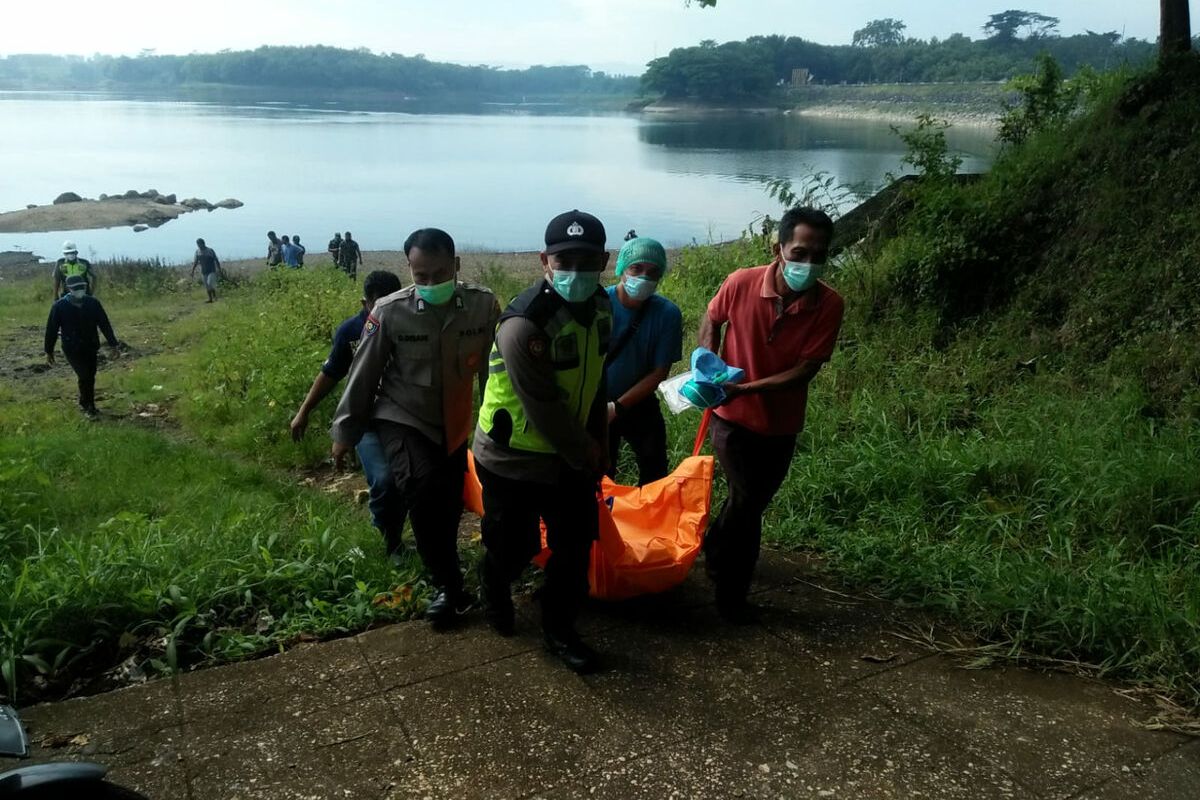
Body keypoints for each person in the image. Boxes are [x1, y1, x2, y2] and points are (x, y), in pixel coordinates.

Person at [331, 229, 499, 630]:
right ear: (409, 269)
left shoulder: (483, 306)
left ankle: (447, 569)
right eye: (419, 276)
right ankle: (448, 584)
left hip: (454, 423)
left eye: (438, 275)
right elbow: (363, 375)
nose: (428, 284)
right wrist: (344, 433)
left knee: (447, 499)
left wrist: (492, 426)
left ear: (456, 266)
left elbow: (493, 373)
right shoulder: (390, 312)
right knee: (422, 491)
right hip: (401, 416)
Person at [473, 209, 611, 673]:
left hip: (568, 457)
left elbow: (594, 384)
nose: (575, 271)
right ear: (544, 261)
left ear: (604, 261)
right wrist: (586, 453)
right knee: (515, 547)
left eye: (586, 260)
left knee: (574, 547)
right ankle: (493, 583)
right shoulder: (526, 324)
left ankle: (560, 630)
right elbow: (543, 405)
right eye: (564, 260)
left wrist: (600, 442)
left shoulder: (601, 310)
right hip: (513, 458)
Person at [698, 207, 845, 622]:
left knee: (750, 502)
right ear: (778, 248)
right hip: (731, 418)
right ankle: (731, 595)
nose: (808, 264)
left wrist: (747, 386)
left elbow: (804, 371)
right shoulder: (741, 282)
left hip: (780, 425)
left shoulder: (829, 304)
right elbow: (711, 317)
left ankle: (713, 548)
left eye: (818, 255)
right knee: (747, 503)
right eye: (799, 253)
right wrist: (707, 360)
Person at [291, 271, 407, 562]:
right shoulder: (352, 332)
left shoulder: (410, 324)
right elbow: (331, 374)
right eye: (375, 305)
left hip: (404, 419)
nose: (381, 312)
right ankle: (388, 541)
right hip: (366, 422)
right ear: (364, 303)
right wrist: (304, 412)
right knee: (383, 479)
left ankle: (403, 537)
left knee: (408, 482)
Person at [604, 236, 682, 486]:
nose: (644, 278)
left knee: (655, 469)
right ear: (622, 270)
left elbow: (659, 372)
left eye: (653, 272)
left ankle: (650, 521)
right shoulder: (599, 305)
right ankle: (601, 522)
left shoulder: (667, 314)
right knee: (599, 474)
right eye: (637, 268)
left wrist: (619, 407)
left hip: (640, 402)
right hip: (597, 402)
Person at [44, 274, 121, 418]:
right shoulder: (59, 306)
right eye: (76, 288)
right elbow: (51, 330)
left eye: (82, 287)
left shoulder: (93, 303)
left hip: (91, 345)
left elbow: (104, 324)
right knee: (84, 375)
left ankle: (87, 403)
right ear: (68, 289)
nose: (80, 290)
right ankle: (88, 407)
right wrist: (49, 351)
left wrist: (113, 344)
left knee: (90, 376)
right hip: (72, 347)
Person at [191, 238, 223, 303]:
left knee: (210, 283)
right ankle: (210, 299)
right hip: (204, 271)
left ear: (203, 243)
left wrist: (219, 269)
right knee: (207, 286)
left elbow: (216, 260)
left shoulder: (210, 250)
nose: (199, 245)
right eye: (198, 244)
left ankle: (214, 297)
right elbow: (195, 262)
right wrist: (192, 271)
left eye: (200, 244)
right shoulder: (197, 252)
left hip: (211, 270)